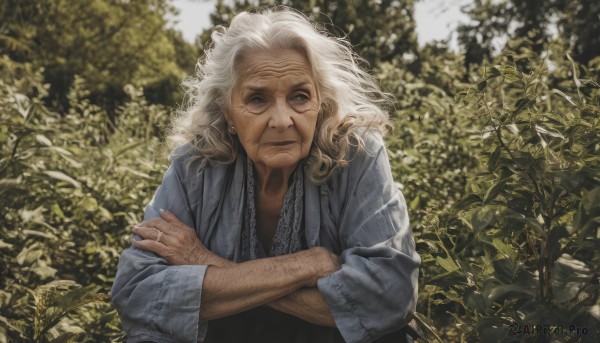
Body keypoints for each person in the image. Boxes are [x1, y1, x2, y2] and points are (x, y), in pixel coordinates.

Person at [111, 6, 420, 343]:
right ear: (228, 112)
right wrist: (308, 265)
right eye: (257, 99)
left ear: (322, 103)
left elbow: (390, 295)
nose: (282, 120)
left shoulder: (358, 154)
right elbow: (137, 291)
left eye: (300, 96)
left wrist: (207, 263)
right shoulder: (194, 167)